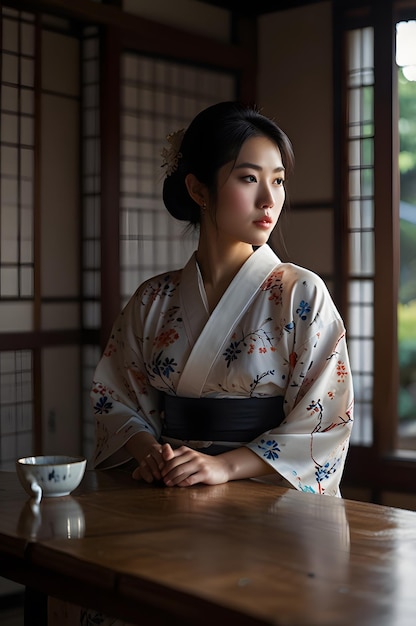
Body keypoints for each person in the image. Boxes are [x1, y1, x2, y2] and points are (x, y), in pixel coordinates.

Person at [91, 100, 354, 497]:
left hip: (266, 496)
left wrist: (223, 467)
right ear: (198, 189)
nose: (269, 199)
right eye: (249, 178)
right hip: (170, 490)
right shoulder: (152, 301)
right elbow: (115, 400)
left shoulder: (300, 294)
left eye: (278, 180)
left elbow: (324, 421)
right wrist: (150, 454)